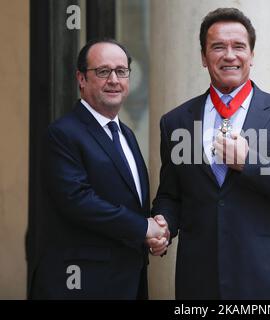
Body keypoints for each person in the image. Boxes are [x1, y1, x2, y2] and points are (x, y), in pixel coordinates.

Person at [152, 8, 270, 299]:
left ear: (251, 55)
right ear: (204, 58)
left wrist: (250, 163)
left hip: (264, 283)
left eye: (239, 46)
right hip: (198, 284)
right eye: (218, 47)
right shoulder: (176, 122)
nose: (229, 55)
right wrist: (163, 225)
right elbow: (171, 194)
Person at [29, 39, 169, 299]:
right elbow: (78, 201)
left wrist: (154, 234)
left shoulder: (126, 134)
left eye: (121, 71)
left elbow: (131, 202)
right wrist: (143, 228)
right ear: (81, 79)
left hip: (129, 282)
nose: (114, 79)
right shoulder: (62, 134)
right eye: (103, 71)